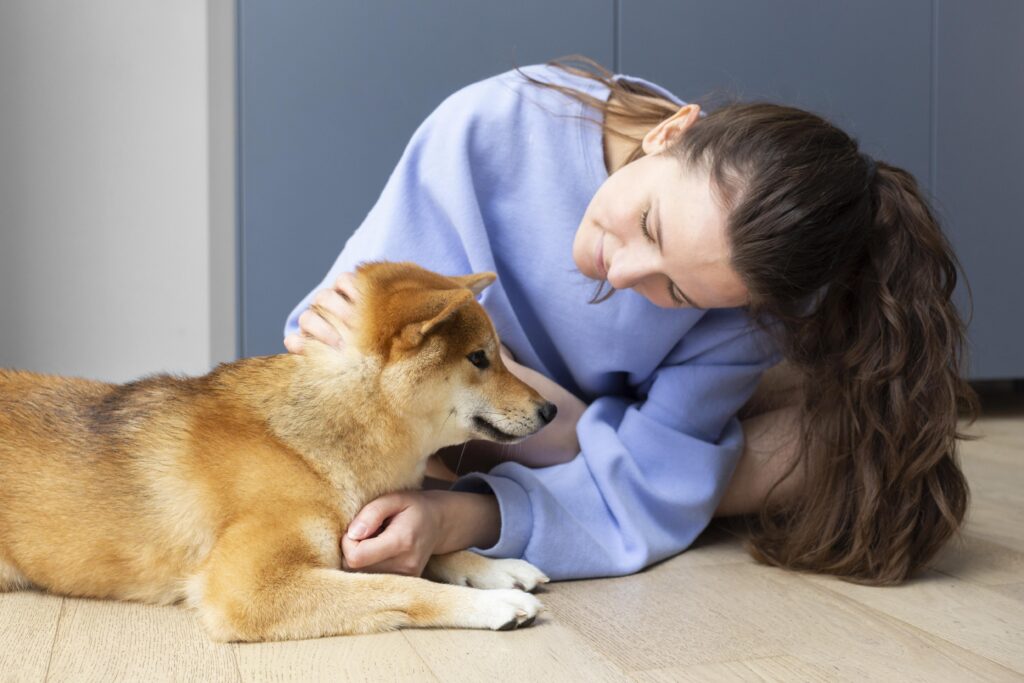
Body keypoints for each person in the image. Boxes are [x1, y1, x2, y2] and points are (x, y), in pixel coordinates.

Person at [283, 56, 979, 585]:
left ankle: (608, 461)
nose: (619, 272)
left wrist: (459, 517)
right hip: (498, 412)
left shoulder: (742, 312)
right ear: (672, 133)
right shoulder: (496, 125)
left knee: (832, 433)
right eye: (648, 220)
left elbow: (650, 468)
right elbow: (340, 343)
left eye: (673, 286)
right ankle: (608, 460)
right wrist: (554, 421)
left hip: (566, 419)